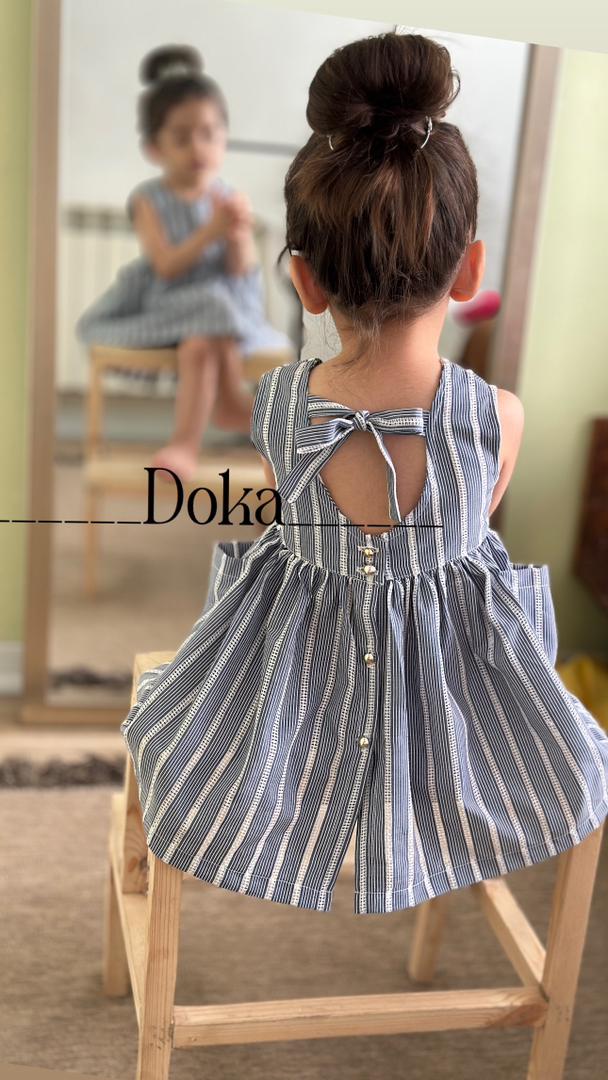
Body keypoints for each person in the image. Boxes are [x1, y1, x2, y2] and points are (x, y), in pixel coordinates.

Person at [120, 31, 608, 915]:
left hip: (293, 697)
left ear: (305, 282)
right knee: (571, 764)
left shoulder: (278, 406)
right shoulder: (499, 417)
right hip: (452, 710)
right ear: (470, 270)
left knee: (176, 741)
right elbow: (468, 537)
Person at [75, 44, 293, 481]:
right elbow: (166, 267)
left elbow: (239, 272)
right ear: (154, 148)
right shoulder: (148, 199)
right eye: (181, 137)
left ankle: (185, 443)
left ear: (223, 138)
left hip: (220, 317)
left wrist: (237, 235)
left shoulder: (226, 196)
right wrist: (210, 231)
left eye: (209, 134)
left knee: (202, 340)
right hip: (170, 302)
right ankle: (231, 404)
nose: (197, 146)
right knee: (210, 304)